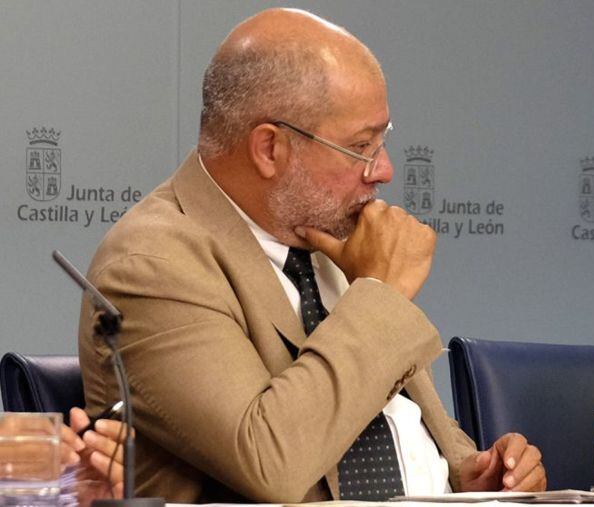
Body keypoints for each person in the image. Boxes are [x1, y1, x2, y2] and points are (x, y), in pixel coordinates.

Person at [77, 8, 544, 502]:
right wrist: (380, 294)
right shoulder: (153, 265)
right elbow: (269, 462)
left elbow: (388, 425)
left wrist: (467, 476)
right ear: (270, 149)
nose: (383, 170)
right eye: (361, 146)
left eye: (383, 141)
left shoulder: (325, 239)